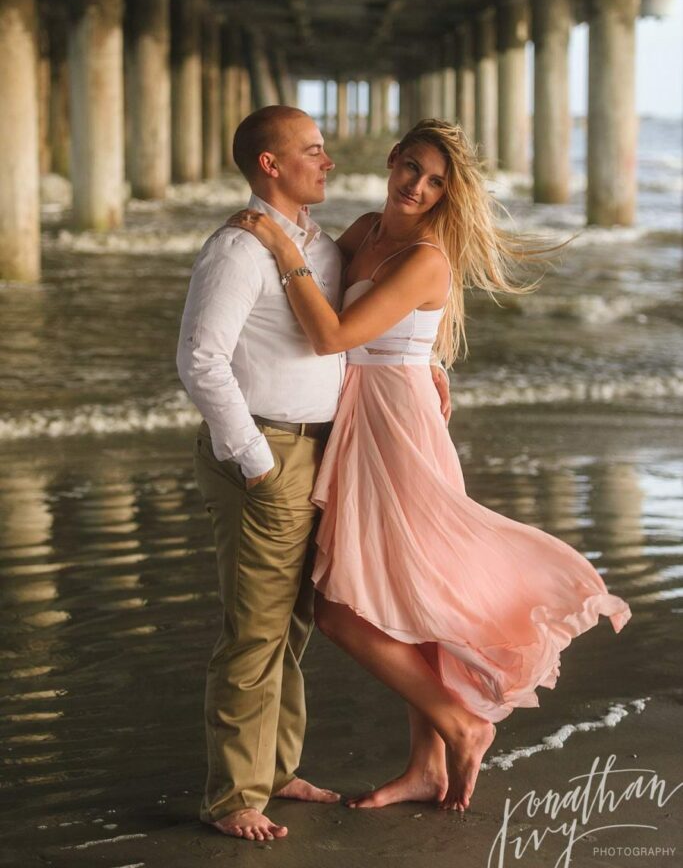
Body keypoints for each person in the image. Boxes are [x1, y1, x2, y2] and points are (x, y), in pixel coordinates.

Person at [228, 117, 632, 815]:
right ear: (391, 160)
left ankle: (460, 723)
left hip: (398, 427)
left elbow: (329, 334)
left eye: (435, 180)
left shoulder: (425, 256)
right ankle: (423, 767)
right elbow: (322, 291)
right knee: (409, 596)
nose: (416, 185)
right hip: (364, 417)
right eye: (410, 167)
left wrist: (269, 238)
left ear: (449, 192)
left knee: (341, 610)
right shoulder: (362, 230)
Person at [176, 105, 450, 842]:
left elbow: (378, 319)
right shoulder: (240, 249)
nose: (328, 162)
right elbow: (199, 359)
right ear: (271, 165)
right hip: (267, 452)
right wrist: (256, 461)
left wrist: (428, 360)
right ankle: (234, 796)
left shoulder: (323, 243)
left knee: (291, 625)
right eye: (314, 151)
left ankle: (271, 769)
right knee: (255, 631)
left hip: (322, 449)